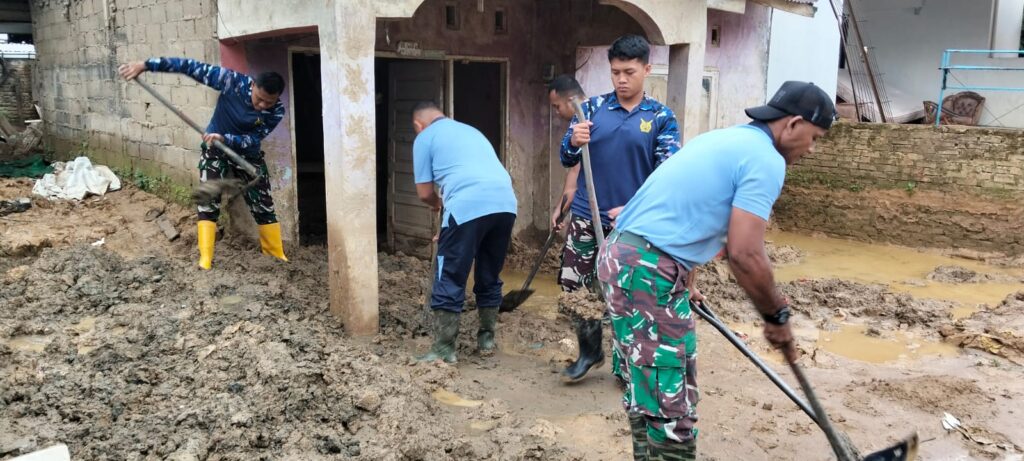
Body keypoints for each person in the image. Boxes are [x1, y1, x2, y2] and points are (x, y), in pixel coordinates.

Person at [596, 81, 836, 460]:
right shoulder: (765, 160)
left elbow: (690, 213)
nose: (811, 148)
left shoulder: (726, 140)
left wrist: (686, 281)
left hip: (626, 258)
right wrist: (776, 316)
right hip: (645, 269)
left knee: (652, 385)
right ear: (793, 124)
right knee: (670, 402)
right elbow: (745, 254)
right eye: (815, 137)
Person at [557, 35, 681, 383]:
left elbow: (667, 174)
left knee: (630, 293)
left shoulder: (661, 118)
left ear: (646, 69)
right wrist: (573, 140)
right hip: (586, 214)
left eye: (629, 72)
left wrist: (634, 207)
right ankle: (589, 351)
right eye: (615, 72)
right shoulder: (592, 109)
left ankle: (625, 363)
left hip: (633, 223)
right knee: (577, 288)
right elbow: (567, 157)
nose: (622, 80)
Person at [118, 58, 288, 270]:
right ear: (253, 85)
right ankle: (205, 259)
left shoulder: (277, 111)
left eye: (268, 102)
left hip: (247, 156)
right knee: (208, 201)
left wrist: (227, 138)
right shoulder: (231, 81)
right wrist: (146, 65)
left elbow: (254, 139)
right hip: (215, 150)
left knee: (263, 205)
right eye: (259, 99)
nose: (262, 105)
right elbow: (189, 67)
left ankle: (275, 255)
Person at [410, 101, 518, 364]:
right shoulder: (471, 131)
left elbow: (425, 193)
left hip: (466, 205)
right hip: (505, 204)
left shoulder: (425, 137)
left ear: (418, 125)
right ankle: (487, 340)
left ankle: (444, 350)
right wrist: (450, 222)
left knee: (449, 275)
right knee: (489, 273)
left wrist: (441, 206)